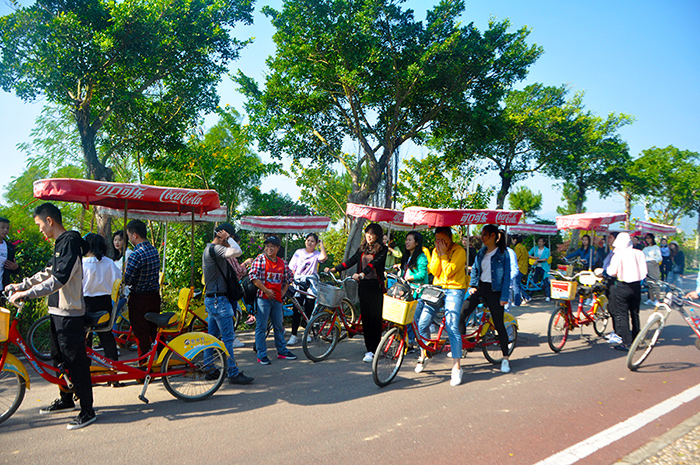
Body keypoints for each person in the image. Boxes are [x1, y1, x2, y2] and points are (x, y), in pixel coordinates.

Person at [6, 203, 95, 430]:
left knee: (75, 363)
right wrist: (22, 284)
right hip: (56, 311)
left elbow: (59, 280)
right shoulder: (60, 244)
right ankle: (66, 400)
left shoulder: (70, 242)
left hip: (70, 312)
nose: (39, 230)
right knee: (58, 358)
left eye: (38, 225)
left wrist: (26, 293)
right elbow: (48, 272)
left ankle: (87, 411)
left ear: (49, 221)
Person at [326, 223, 387, 363]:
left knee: (375, 318)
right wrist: (335, 269)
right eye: (367, 233)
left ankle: (375, 347)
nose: (369, 236)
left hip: (375, 287)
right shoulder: (362, 248)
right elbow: (351, 261)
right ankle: (369, 349)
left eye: (372, 234)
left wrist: (362, 274)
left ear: (377, 235)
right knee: (365, 317)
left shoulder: (382, 249)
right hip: (363, 286)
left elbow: (374, 264)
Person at [202, 223, 254, 384]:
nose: (230, 240)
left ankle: (209, 367)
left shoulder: (209, 249)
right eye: (228, 237)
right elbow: (237, 252)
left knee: (212, 337)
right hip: (219, 301)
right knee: (228, 337)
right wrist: (228, 238)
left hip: (213, 299)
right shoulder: (215, 249)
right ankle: (232, 372)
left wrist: (228, 237)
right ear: (222, 236)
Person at [416, 226, 467, 386]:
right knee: (423, 322)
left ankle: (457, 367)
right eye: (437, 239)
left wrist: (444, 254)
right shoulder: (435, 250)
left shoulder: (459, 251)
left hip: (454, 288)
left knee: (451, 326)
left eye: (442, 239)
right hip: (437, 287)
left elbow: (449, 272)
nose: (439, 242)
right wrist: (438, 254)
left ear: (450, 239)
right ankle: (425, 353)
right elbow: (434, 271)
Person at [460, 225, 513, 374]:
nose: (482, 237)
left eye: (485, 235)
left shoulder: (504, 254)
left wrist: (504, 297)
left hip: (495, 292)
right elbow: (476, 269)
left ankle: (505, 358)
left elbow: (507, 277)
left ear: (493, 237)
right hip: (480, 288)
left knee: (498, 324)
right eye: (482, 234)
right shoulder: (481, 252)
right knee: (462, 313)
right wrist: (473, 285)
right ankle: (462, 347)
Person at [250, 235, 297, 365]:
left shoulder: (282, 263)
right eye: (267, 246)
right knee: (261, 326)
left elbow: (289, 277)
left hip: (277, 300)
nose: (269, 249)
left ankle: (282, 351)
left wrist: (283, 291)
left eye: (272, 246)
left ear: (277, 248)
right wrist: (265, 290)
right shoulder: (261, 259)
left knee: (278, 325)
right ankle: (262, 354)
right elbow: (253, 276)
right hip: (263, 299)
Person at [123, 219, 161, 358]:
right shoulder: (154, 250)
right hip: (154, 297)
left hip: (139, 299)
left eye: (128, 236)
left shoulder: (136, 254)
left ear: (134, 235)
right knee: (155, 329)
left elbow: (128, 279)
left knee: (141, 333)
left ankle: (144, 364)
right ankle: (163, 358)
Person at [606, 232, 647, 351]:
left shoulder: (618, 255)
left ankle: (626, 342)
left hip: (622, 285)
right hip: (636, 286)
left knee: (622, 315)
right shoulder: (639, 253)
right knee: (635, 313)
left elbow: (612, 272)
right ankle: (636, 339)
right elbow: (644, 270)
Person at [82, 233, 120, 362]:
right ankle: (113, 369)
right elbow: (118, 281)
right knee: (106, 336)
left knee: (85, 337)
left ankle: (86, 370)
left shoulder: (82, 263)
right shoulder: (109, 263)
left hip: (85, 304)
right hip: (104, 303)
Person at [287, 233, 327, 345]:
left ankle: (307, 332)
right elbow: (292, 268)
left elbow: (323, 257)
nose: (309, 243)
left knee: (309, 307)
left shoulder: (317, 254)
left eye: (312, 241)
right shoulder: (298, 253)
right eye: (308, 240)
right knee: (297, 308)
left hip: (310, 284)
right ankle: (293, 335)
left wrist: (322, 245)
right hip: (298, 282)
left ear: (315, 243)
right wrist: (291, 281)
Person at [397, 231, 429, 351]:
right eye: (406, 239)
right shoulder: (407, 256)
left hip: (418, 292)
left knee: (414, 319)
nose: (407, 242)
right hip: (407, 291)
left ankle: (411, 343)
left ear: (416, 243)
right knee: (406, 318)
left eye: (410, 240)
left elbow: (422, 274)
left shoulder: (421, 257)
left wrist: (410, 277)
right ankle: (406, 341)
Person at [0, 217, 20, 305]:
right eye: (2, 227)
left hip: (1, 288)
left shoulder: (9, 247)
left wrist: (15, 267)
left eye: (7, 228)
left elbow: (15, 269)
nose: (5, 230)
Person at [528, 237, 552, 302]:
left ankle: (548, 296)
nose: (539, 243)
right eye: (539, 241)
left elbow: (545, 259)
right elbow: (528, 254)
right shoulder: (535, 248)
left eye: (541, 242)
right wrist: (534, 257)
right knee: (534, 280)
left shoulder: (546, 250)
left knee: (545, 281)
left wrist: (537, 260)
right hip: (536, 267)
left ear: (544, 243)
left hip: (543, 267)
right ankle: (530, 295)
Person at [642, 233, 662, 305]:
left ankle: (657, 299)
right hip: (646, 265)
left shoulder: (656, 248)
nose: (648, 240)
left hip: (653, 265)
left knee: (655, 282)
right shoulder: (645, 249)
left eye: (649, 238)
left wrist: (655, 261)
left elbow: (660, 257)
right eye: (646, 238)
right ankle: (651, 298)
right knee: (649, 283)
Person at [511, 235, 529, 304]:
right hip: (524, 267)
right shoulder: (523, 247)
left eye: (512, 240)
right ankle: (526, 296)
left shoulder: (517, 247)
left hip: (519, 267)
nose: (512, 242)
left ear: (515, 240)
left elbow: (516, 258)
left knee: (515, 285)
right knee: (517, 284)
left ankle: (517, 302)